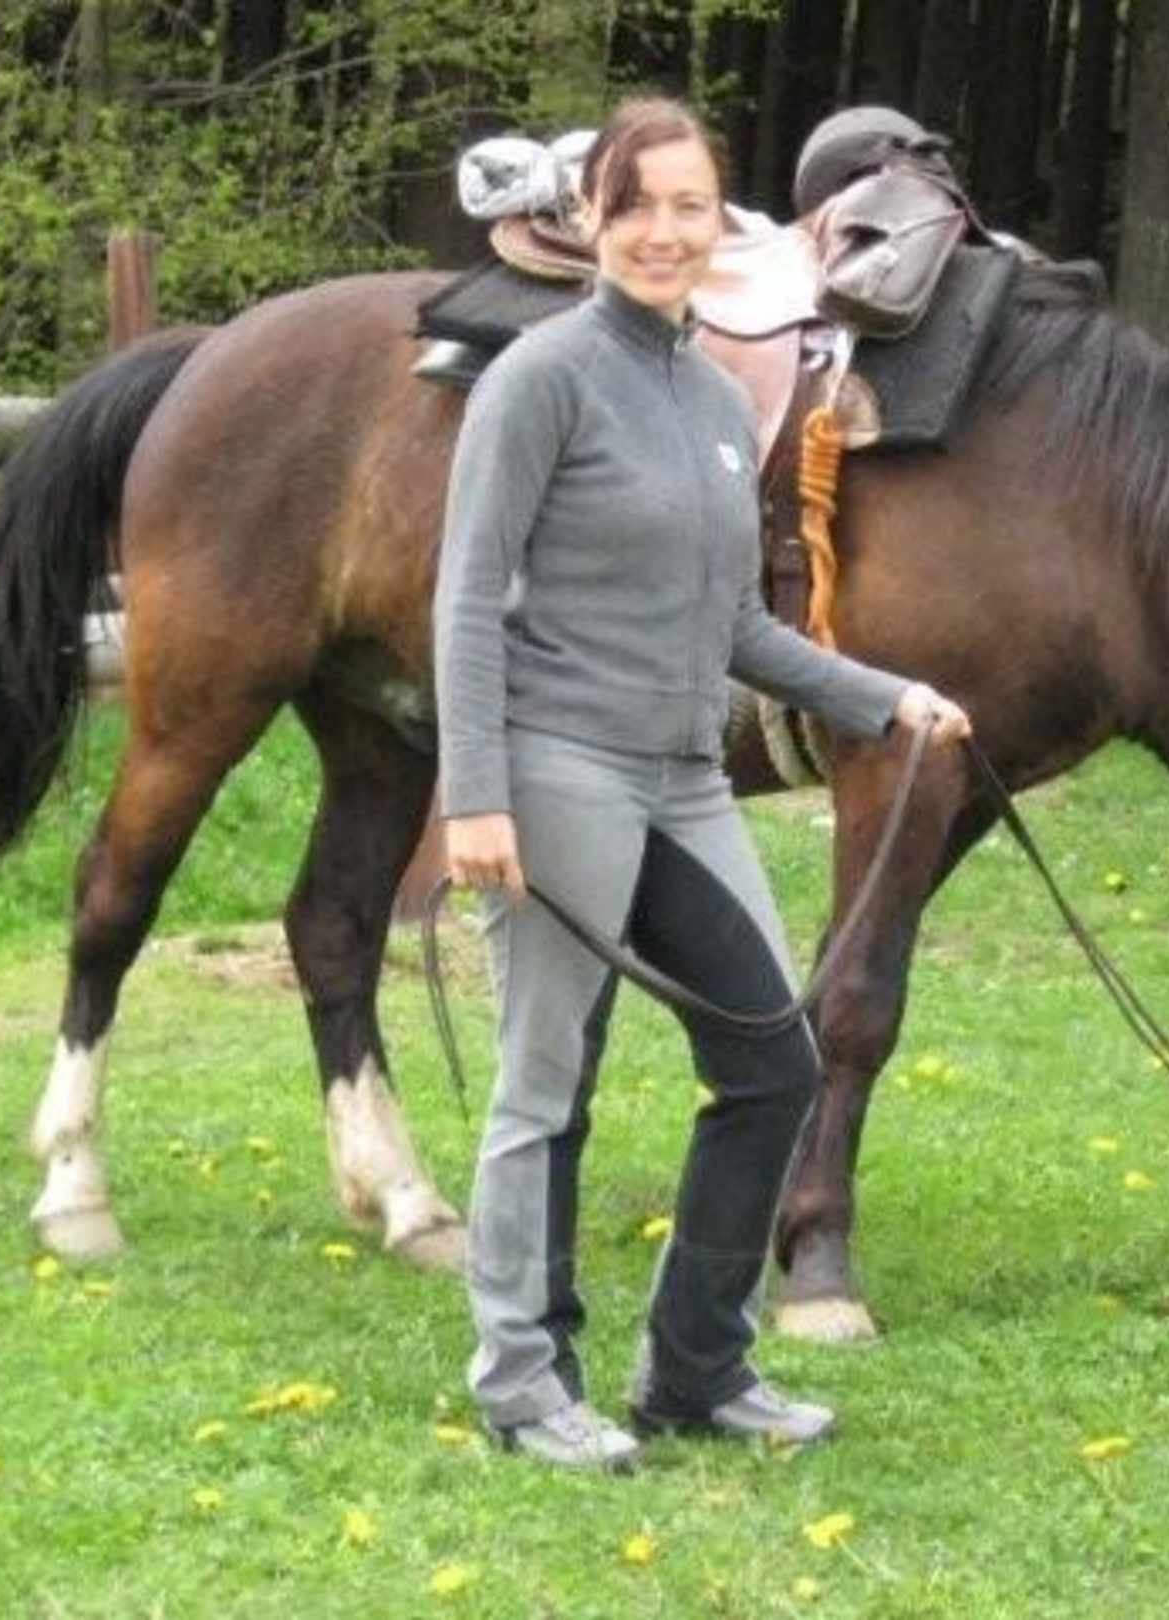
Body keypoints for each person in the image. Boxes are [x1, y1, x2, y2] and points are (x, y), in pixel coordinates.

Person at [433, 95, 972, 1473]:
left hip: (680, 780)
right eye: (636, 206)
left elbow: (738, 624)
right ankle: (522, 1382)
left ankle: (694, 1368)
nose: (663, 231)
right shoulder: (540, 379)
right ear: (591, 217)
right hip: (559, 766)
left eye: (689, 207)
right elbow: (468, 598)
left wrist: (884, 696)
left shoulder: (717, 400)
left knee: (773, 1062)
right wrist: (475, 794)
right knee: (547, 1083)